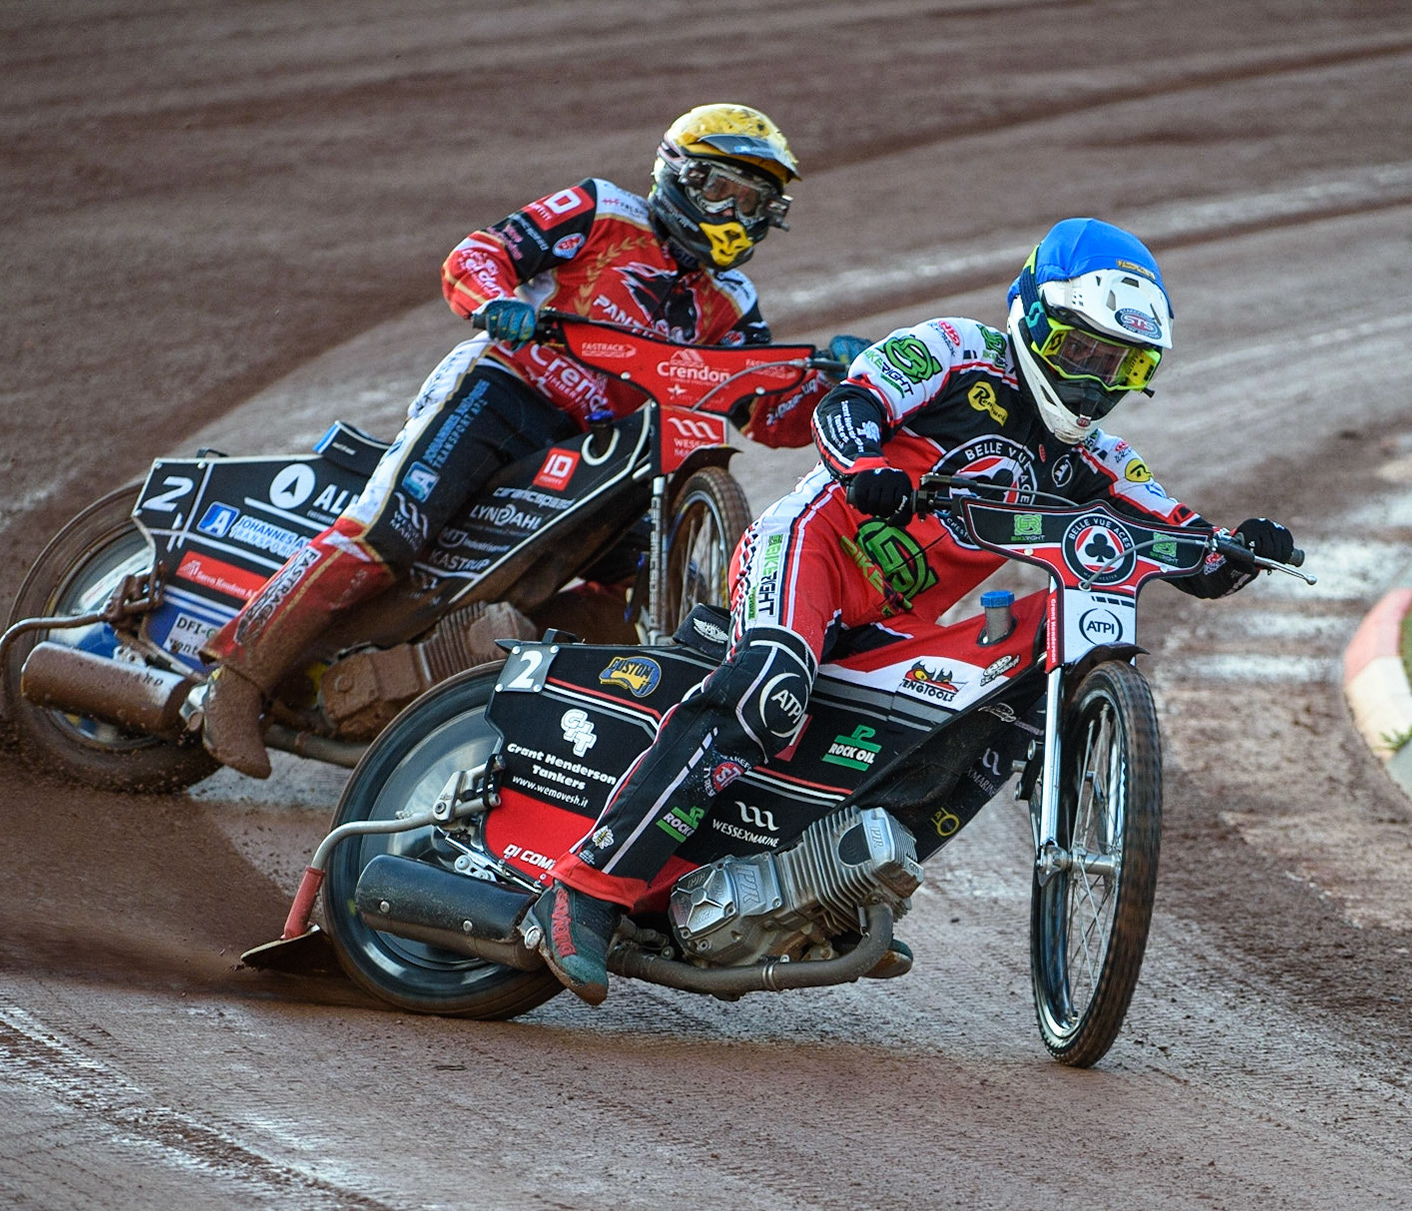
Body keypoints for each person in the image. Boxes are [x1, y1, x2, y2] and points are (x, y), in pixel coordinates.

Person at [525, 217, 1297, 1005]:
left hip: (898, 622)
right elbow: (848, 403)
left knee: (998, 687)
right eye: (1082, 352)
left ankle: (831, 886)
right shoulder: (956, 350)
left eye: (1122, 364)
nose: (1096, 381)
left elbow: (1185, 540)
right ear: (1032, 318)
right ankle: (584, 891)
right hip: (814, 551)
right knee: (772, 687)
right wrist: (865, 465)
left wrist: (1239, 549)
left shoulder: (1098, 457)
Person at [199, 104, 862, 778]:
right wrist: (495, 301)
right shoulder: (603, 211)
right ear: (680, 175)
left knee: (639, 603)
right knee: (388, 532)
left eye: (754, 202)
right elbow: (478, 254)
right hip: (503, 393)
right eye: (722, 190)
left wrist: (841, 388)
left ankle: (474, 670)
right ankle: (235, 680)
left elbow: (761, 411)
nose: (735, 215)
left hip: (601, 452)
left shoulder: (733, 300)